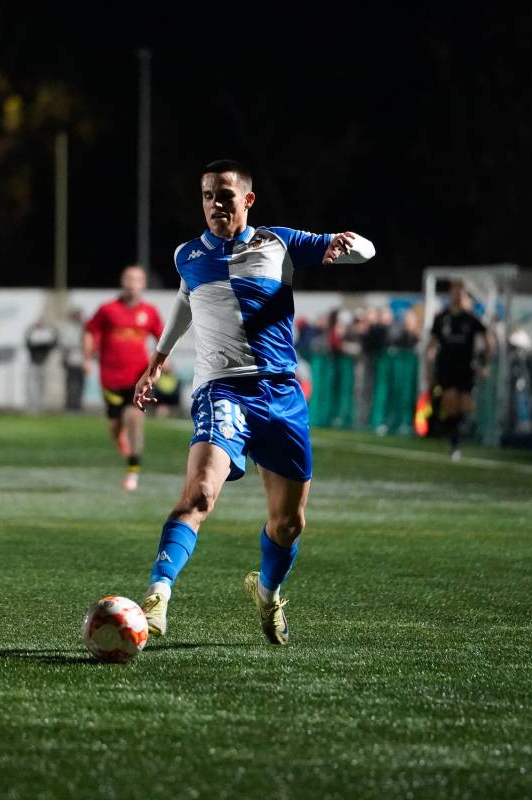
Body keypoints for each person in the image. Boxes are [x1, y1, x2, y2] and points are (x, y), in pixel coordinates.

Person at [133, 159, 375, 645]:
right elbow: (186, 301)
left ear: (248, 200)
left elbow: (363, 254)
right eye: (206, 195)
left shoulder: (278, 242)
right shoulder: (188, 255)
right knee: (200, 494)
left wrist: (349, 243)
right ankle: (157, 594)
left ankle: (267, 592)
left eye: (225, 195)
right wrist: (157, 360)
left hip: (282, 395)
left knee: (288, 524)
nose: (215, 204)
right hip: (222, 389)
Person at [83, 266, 164, 491]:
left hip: (138, 378)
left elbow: (163, 339)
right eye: (128, 278)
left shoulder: (150, 311)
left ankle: (133, 472)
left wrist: (162, 363)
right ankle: (119, 436)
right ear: (122, 282)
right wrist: (87, 358)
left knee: (135, 421)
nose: (132, 283)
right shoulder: (107, 310)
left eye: (137, 279)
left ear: (143, 283)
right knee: (115, 425)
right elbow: (90, 331)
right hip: (110, 378)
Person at [426, 281, 494, 460]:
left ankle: (458, 435)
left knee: (465, 405)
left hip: (465, 367)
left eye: (460, 293)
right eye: (454, 292)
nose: (457, 296)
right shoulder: (441, 318)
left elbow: (488, 340)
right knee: (450, 402)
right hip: (446, 367)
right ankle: (454, 443)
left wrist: (485, 363)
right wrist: (429, 367)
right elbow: (432, 344)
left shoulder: (470, 318)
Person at [25, 317, 59, 412]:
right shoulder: (32, 332)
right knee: (32, 385)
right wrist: (40, 345)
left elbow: (54, 343)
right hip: (33, 362)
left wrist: (43, 344)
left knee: (43, 385)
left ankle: (41, 406)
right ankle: (32, 405)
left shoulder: (47, 332)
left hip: (44, 361)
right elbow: (28, 344)